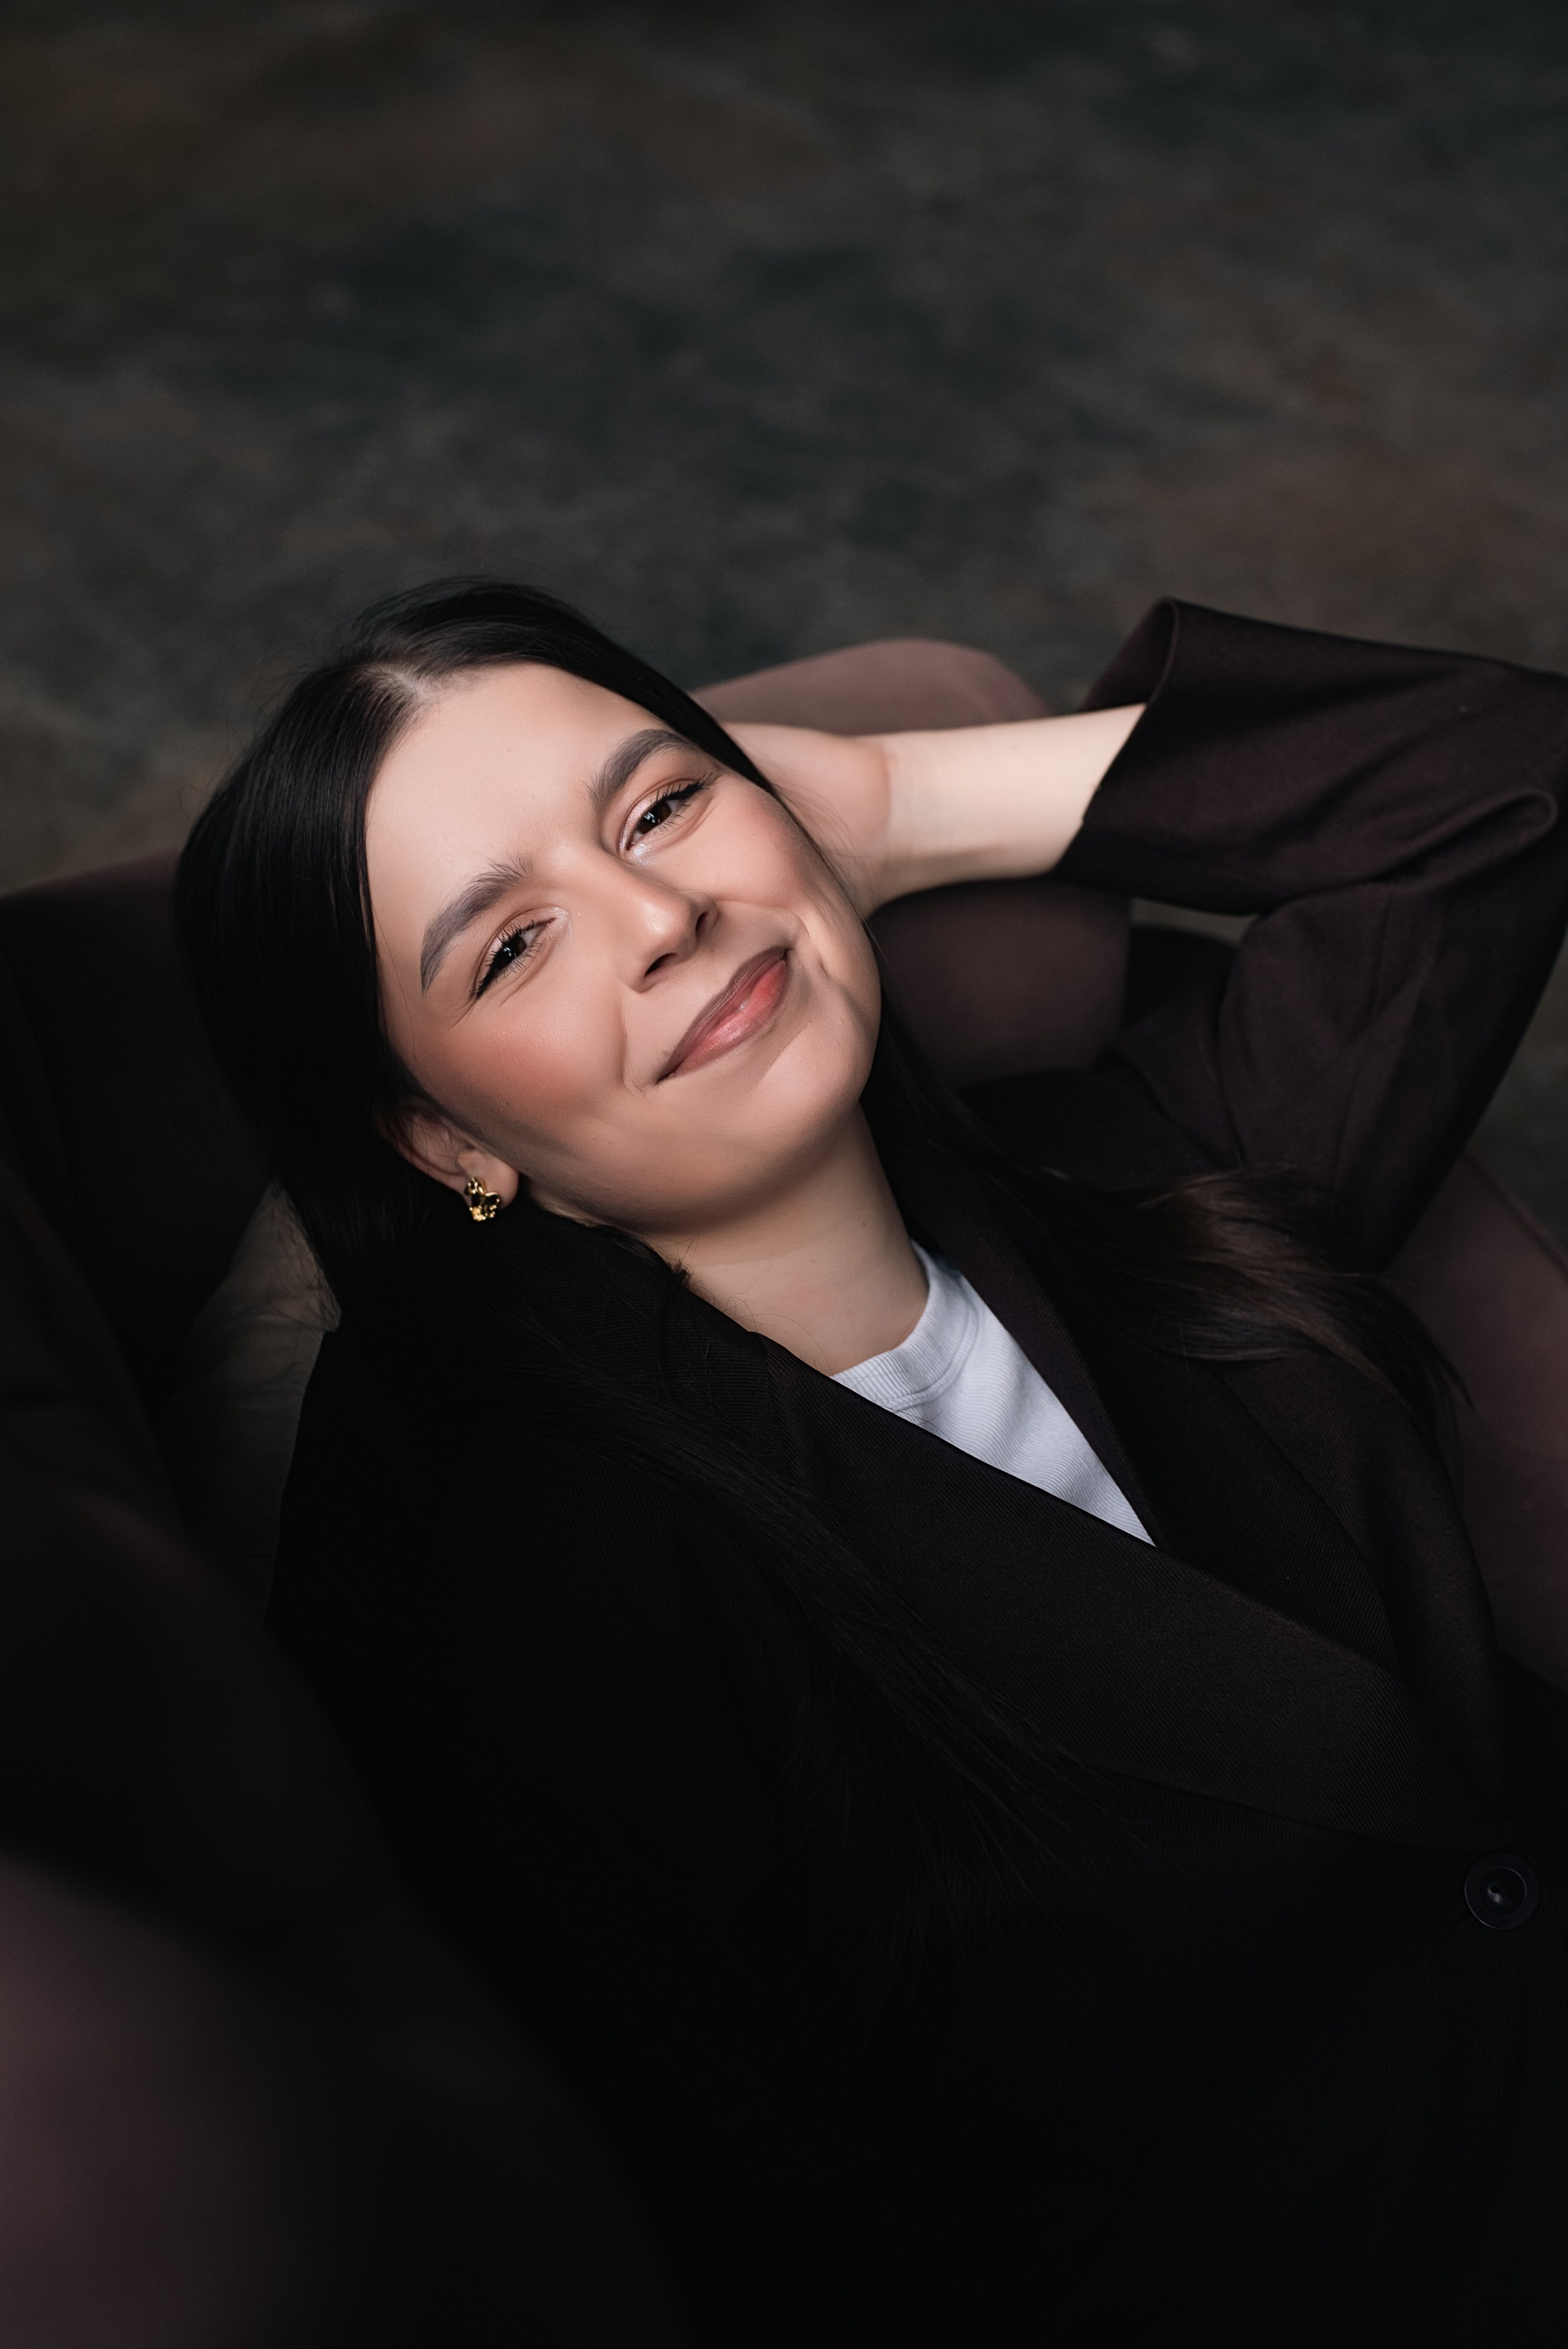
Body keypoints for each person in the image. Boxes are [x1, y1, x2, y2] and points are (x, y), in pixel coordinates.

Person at [177, 578, 1568, 2346]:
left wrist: (896, 802)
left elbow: (1502, 784)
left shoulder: (1140, 1167)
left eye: (661, 807)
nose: (662, 916)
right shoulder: (529, 1587)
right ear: (444, 1135)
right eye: (510, 946)